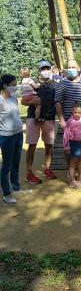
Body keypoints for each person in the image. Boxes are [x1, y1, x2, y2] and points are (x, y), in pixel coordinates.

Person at [22, 60, 57, 185]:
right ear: (39, 70)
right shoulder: (32, 83)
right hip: (33, 118)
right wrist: (32, 103)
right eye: (43, 68)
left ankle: (47, 169)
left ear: (50, 69)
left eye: (47, 68)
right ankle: (29, 173)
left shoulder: (55, 84)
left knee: (49, 145)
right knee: (32, 145)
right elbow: (23, 101)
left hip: (49, 118)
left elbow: (58, 101)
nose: (45, 70)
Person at [0, 74, 24, 204]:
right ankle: (6, 193)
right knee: (7, 165)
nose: (15, 86)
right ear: (5, 86)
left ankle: (15, 187)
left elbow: (16, 115)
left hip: (18, 134)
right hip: (6, 137)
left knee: (16, 162)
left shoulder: (14, 98)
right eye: (13, 84)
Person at [55, 60, 81, 128]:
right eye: (69, 67)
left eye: (73, 67)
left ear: (78, 68)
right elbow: (57, 102)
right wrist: (62, 120)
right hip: (68, 121)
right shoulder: (62, 83)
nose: (71, 69)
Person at [63, 103, 81, 188]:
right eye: (75, 112)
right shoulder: (70, 121)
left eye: (79, 112)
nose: (77, 114)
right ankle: (71, 180)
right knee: (73, 162)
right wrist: (66, 147)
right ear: (72, 112)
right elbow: (66, 135)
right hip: (73, 143)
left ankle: (79, 177)